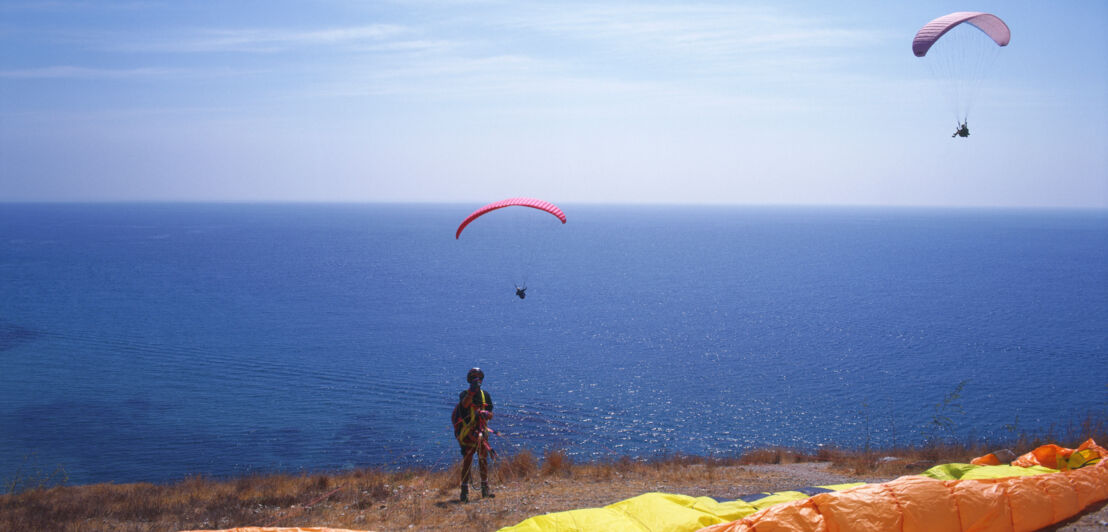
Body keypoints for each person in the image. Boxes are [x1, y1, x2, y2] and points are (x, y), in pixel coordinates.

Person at [451, 367, 495, 502]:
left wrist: (486, 414)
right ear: (470, 380)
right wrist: (472, 391)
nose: (478, 380)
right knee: (468, 461)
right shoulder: (464, 394)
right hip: (468, 433)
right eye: (475, 378)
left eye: (479, 378)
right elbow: (464, 404)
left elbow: (491, 414)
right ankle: (464, 492)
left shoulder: (485, 395)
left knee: (483, 459)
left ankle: (485, 490)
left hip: (482, 432)